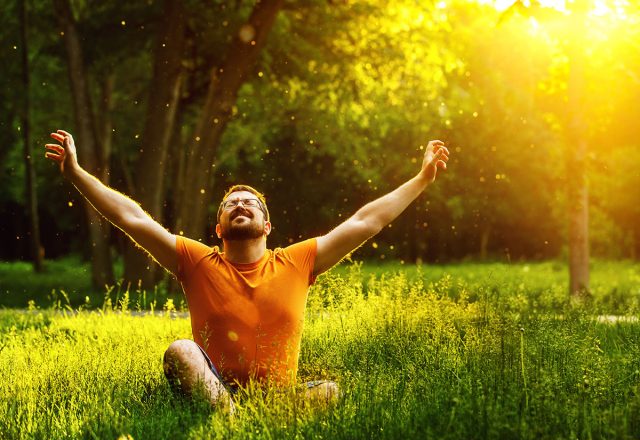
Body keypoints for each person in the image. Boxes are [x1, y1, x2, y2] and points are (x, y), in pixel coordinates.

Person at [45, 129, 449, 411]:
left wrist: (421, 180)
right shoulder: (196, 261)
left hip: (279, 397)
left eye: (250, 203)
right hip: (214, 385)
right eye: (230, 204)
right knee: (181, 351)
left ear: (267, 226)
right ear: (218, 228)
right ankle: (231, 418)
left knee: (329, 391)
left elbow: (367, 221)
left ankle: (243, 420)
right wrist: (77, 174)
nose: (241, 205)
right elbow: (132, 218)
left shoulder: (297, 260)